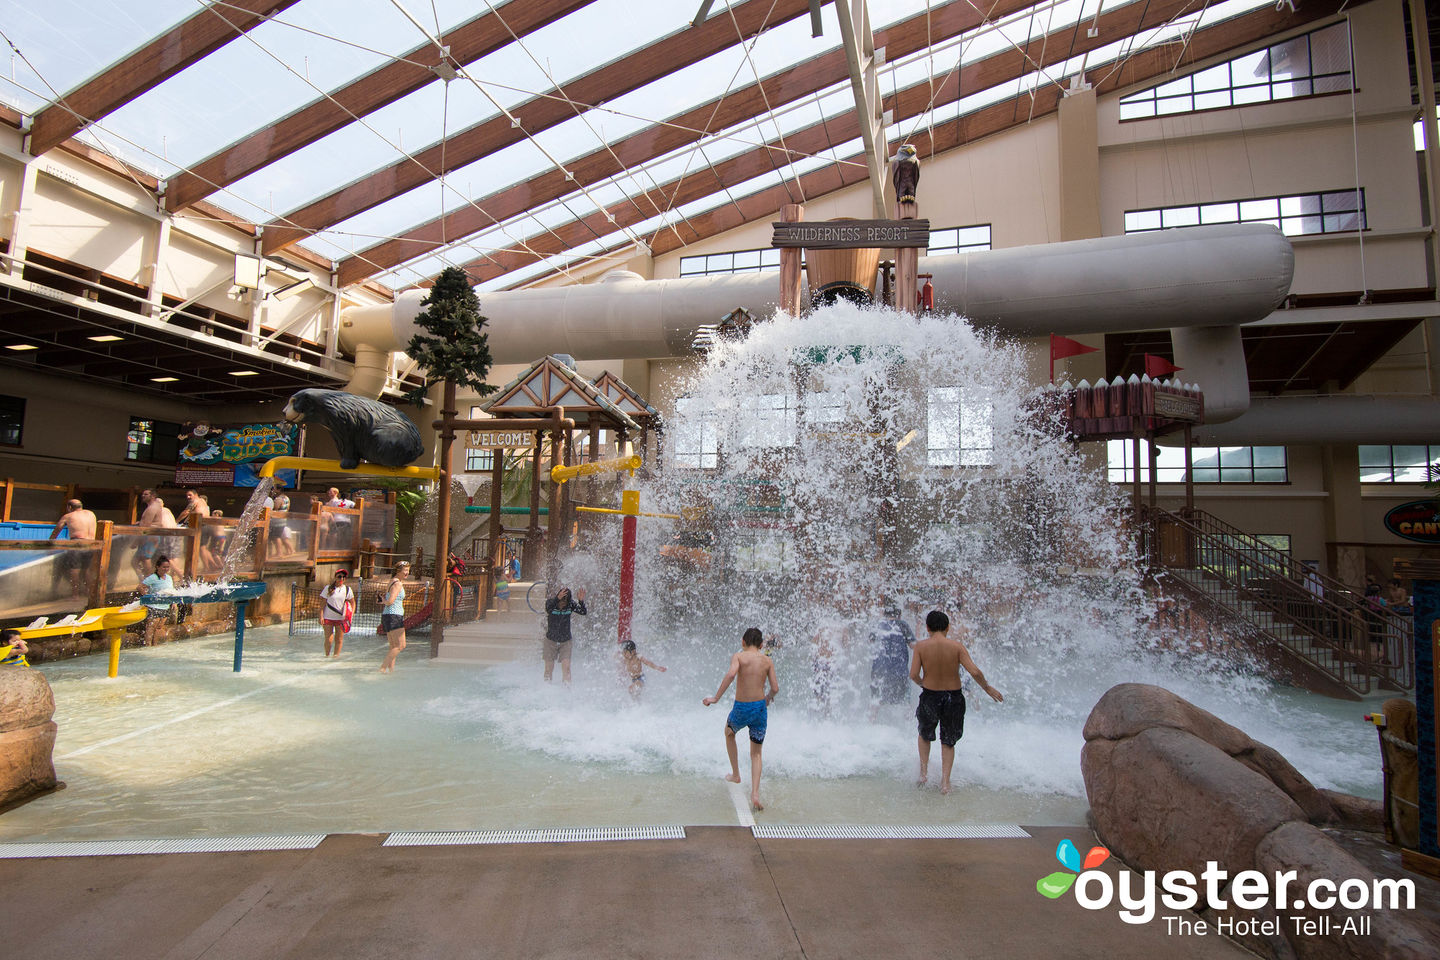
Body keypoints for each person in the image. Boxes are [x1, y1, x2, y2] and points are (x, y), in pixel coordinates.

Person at [910, 609, 1002, 795]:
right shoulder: (957, 647)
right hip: (953, 697)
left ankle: (923, 774)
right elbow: (975, 672)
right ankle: (945, 783)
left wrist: (923, 684)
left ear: (927, 627)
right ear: (948, 628)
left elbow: (913, 674)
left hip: (930, 694)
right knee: (948, 740)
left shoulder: (921, 646)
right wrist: (987, 688)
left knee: (925, 734)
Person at [703, 627, 780, 811]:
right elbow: (775, 688)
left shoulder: (739, 657)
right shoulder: (767, 660)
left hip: (742, 707)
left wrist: (716, 698)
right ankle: (755, 793)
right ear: (761, 645)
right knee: (757, 753)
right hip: (760, 708)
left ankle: (736, 774)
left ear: (742, 642)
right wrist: (768, 698)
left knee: (729, 732)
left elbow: (731, 674)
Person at [869, 600, 917, 709]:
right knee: (905, 702)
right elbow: (913, 645)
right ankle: (909, 724)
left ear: (884, 614)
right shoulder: (902, 624)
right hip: (899, 671)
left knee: (875, 701)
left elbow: (871, 642)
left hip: (879, 670)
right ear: (899, 614)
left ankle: (870, 723)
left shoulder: (878, 624)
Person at [50, 498, 98, 598]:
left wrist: (50, 544)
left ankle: (75, 595)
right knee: (87, 569)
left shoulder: (68, 516)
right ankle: (88, 593)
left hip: (77, 544)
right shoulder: (91, 514)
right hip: (92, 544)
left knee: (74, 570)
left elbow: (56, 531)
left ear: (69, 507)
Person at [543, 585, 587, 683]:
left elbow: (583, 612)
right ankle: (546, 689)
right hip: (550, 640)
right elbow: (548, 610)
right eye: (561, 601)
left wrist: (581, 601)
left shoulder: (570, 604)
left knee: (566, 668)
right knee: (548, 669)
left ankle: (567, 691)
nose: (563, 604)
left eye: (565, 602)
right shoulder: (551, 603)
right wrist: (557, 599)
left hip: (566, 641)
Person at [380, 561, 410, 672]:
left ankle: (390, 671)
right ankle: (382, 669)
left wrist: (383, 601)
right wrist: (385, 601)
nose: (407, 573)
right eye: (405, 570)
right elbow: (390, 601)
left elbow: (387, 601)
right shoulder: (398, 584)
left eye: (408, 570)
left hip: (387, 616)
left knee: (393, 646)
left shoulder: (391, 581)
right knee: (401, 645)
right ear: (398, 571)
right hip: (394, 616)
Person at [141, 555, 177, 645]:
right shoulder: (153, 577)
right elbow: (140, 587)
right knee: (151, 626)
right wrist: (148, 597)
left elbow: (171, 591)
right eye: (164, 567)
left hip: (165, 606)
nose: (166, 569)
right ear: (157, 567)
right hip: (154, 605)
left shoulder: (169, 578)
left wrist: (174, 602)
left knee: (159, 627)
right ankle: (147, 645)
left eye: (167, 567)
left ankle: (155, 645)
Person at [320, 569, 355, 658]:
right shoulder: (328, 588)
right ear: (335, 577)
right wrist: (321, 616)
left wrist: (351, 615)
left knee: (339, 639)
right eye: (339, 576)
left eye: (344, 577)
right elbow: (322, 604)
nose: (341, 579)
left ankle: (335, 656)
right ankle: (327, 656)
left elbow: (353, 603)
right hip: (328, 617)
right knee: (329, 638)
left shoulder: (347, 589)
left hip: (341, 618)